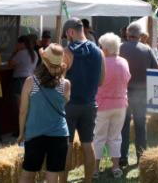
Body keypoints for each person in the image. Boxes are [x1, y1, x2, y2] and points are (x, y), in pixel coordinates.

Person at [60, 18, 105, 183]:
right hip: (90, 104)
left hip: (69, 105)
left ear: (71, 32)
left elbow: (60, 81)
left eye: (67, 35)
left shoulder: (66, 52)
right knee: (88, 144)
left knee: (66, 146)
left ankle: (63, 181)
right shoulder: (99, 51)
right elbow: (101, 81)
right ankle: (88, 180)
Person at [18, 43, 70, 183]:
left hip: (35, 133)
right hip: (59, 134)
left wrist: (21, 133)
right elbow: (63, 104)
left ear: (43, 60)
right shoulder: (65, 84)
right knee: (53, 175)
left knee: (27, 173)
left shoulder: (30, 81)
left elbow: (23, 111)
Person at [119, 22, 158, 167]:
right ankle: (141, 156)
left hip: (124, 91)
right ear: (140, 35)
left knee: (123, 126)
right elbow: (157, 69)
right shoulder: (147, 49)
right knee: (140, 126)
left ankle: (122, 157)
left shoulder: (120, 48)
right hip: (142, 92)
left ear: (127, 34)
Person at [93, 33, 130, 179]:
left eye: (101, 46)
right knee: (115, 137)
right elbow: (127, 79)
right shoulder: (124, 62)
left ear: (106, 49)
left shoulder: (100, 62)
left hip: (102, 105)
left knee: (99, 137)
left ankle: (95, 169)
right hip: (120, 104)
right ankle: (115, 167)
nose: (100, 48)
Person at [8, 35, 38, 112]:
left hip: (20, 81)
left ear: (22, 44)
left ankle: (23, 123)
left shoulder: (21, 53)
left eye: (18, 44)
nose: (17, 45)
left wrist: (14, 52)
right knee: (29, 104)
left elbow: (10, 64)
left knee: (21, 106)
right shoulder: (35, 53)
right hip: (31, 80)